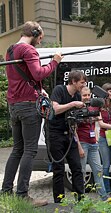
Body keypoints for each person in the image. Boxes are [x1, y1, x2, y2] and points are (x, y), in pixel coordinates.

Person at [1, 21, 63, 207]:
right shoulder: (29, 50)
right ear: (35, 34)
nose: (40, 43)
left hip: (14, 105)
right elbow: (37, 73)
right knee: (29, 150)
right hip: (28, 107)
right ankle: (22, 194)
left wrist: (38, 90)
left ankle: (5, 191)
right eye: (40, 38)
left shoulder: (10, 50)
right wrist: (54, 62)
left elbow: (22, 78)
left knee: (17, 149)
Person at [48, 70, 87, 203]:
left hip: (69, 134)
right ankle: (59, 201)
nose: (84, 85)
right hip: (55, 134)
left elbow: (74, 119)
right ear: (73, 81)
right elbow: (55, 109)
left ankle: (80, 200)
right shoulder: (59, 90)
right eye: (82, 82)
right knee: (58, 169)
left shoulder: (77, 96)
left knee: (77, 167)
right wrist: (73, 104)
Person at [76, 86, 110, 201]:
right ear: (80, 96)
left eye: (88, 95)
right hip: (82, 142)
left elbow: (98, 123)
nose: (87, 97)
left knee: (98, 170)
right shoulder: (77, 108)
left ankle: (104, 197)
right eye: (84, 95)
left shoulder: (93, 107)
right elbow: (73, 129)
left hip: (93, 144)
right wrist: (79, 147)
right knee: (81, 172)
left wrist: (96, 138)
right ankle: (80, 199)